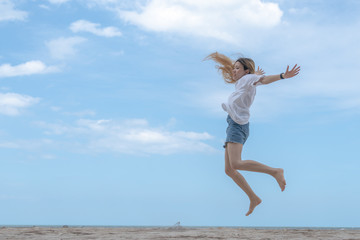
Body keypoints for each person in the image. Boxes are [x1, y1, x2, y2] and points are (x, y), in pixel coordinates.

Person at [205, 52, 301, 216]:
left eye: (237, 68)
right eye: (233, 68)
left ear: (246, 71)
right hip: (232, 124)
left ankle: (275, 171)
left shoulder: (248, 79)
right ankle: (253, 198)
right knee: (229, 170)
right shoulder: (245, 81)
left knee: (236, 163)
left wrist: (282, 76)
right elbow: (257, 79)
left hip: (237, 126)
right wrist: (255, 75)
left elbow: (264, 80)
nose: (233, 71)